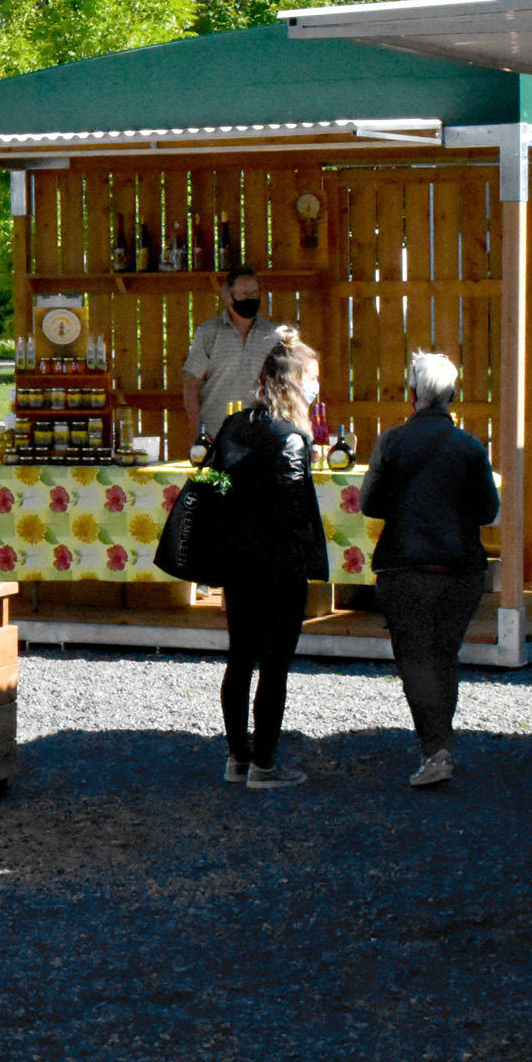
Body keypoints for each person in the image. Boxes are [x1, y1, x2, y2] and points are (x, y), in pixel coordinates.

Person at [359, 350, 499, 789]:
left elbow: (369, 503)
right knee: (444, 656)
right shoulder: (472, 447)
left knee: (416, 660)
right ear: (452, 394)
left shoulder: (391, 442)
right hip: (460, 568)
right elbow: (488, 512)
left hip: (404, 566)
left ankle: (435, 747)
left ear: (412, 394)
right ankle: (440, 744)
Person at [214, 340, 329, 790]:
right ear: (297, 383)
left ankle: (236, 758)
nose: (317, 385)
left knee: (239, 657)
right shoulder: (293, 437)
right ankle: (264, 764)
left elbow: (210, 483)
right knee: (275, 664)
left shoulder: (233, 425)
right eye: (313, 377)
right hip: (279, 565)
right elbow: (295, 506)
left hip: (238, 561)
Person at [183, 265, 285, 452]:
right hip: (216, 437)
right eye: (244, 294)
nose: (251, 299)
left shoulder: (272, 336)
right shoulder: (208, 334)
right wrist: (197, 434)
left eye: (255, 293)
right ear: (229, 297)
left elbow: (283, 387)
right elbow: (191, 384)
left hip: (261, 438)